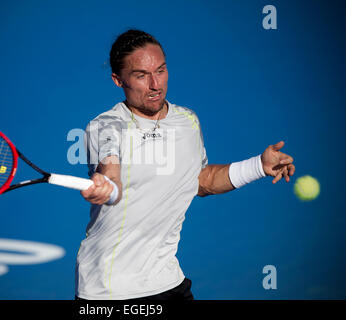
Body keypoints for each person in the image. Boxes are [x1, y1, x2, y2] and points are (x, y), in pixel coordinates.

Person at [75, 29, 295, 300]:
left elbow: (200, 181)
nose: (155, 84)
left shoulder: (187, 121)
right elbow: (111, 176)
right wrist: (106, 187)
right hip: (111, 291)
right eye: (141, 76)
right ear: (118, 80)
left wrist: (259, 166)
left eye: (161, 71)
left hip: (168, 281)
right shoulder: (105, 127)